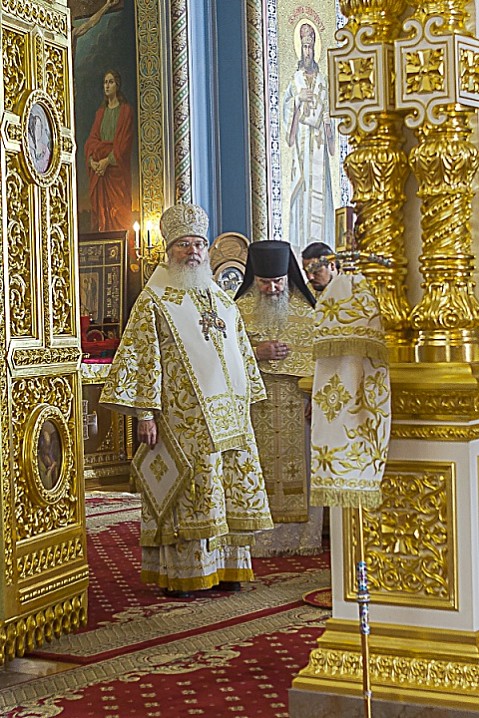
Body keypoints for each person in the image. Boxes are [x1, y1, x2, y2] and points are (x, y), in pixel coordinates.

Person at [100, 203, 273, 597]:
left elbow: (241, 355)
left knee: (227, 488)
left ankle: (228, 568)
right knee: (189, 491)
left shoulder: (223, 302)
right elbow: (143, 358)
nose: (193, 251)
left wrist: (246, 401)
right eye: (183, 245)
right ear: (169, 251)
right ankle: (184, 573)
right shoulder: (154, 301)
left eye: (198, 244)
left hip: (230, 418)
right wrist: (145, 413)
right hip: (180, 419)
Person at [235, 240, 323, 556]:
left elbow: (323, 357)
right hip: (254, 402)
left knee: (300, 468)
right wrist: (255, 352)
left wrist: (316, 395)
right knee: (258, 468)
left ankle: (302, 539)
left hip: (298, 401)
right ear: (254, 278)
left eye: (278, 281)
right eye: (264, 282)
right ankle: (260, 539)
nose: (272, 289)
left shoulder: (308, 310)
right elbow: (221, 354)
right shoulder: (237, 309)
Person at [283, 22, 335, 253]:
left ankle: (325, 247)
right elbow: (288, 126)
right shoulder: (295, 81)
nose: (307, 52)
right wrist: (297, 101)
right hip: (303, 148)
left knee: (321, 194)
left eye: (310, 47)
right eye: (304, 47)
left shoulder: (324, 81)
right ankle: (301, 247)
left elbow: (331, 115)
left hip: (319, 149)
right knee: (303, 195)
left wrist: (329, 125)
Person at [84, 68, 134, 232]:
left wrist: (107, 161)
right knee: (101, 211)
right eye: (105, 82)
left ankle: (123, 243)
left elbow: (124, 143)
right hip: (100, 172)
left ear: (117, 85)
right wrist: (92, 161)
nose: (107, 86)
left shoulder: (125, 111)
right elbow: (92, 140)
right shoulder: (100, 113)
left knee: (119, 210)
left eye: (110, 82)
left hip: (116, 171)